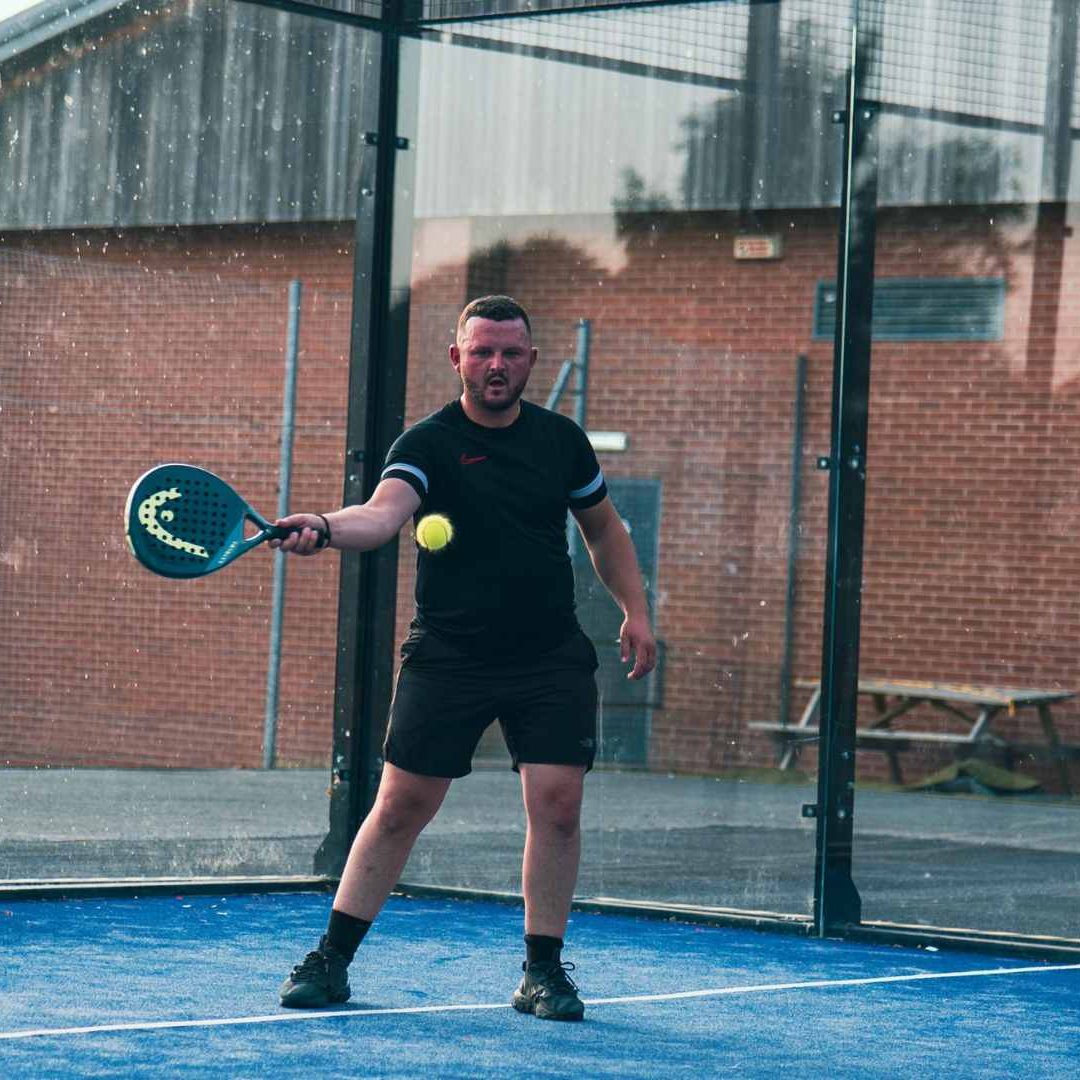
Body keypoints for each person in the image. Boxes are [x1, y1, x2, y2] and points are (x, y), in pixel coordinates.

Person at [272, 295, 657, 1021]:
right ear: (458, 359)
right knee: (401, 806)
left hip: (549, 654)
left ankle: (542, 972)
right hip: (449, 655)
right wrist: (324, 525)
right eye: (482, 352)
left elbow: (604, 529)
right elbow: (381, 515)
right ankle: (331, 959)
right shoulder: (427, 444)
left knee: (559, 807)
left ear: (531, 361)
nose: (496, 365)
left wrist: (636, 610)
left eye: (510, 353)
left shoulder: (561, 441)